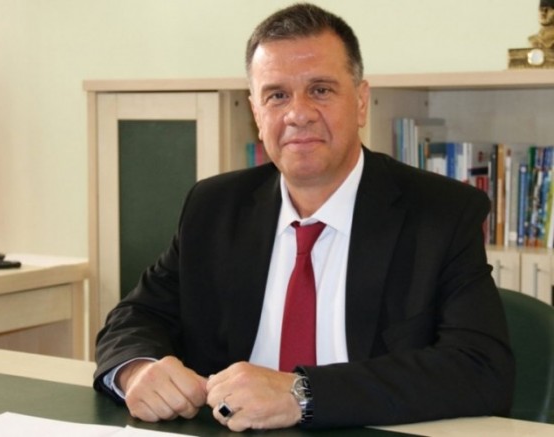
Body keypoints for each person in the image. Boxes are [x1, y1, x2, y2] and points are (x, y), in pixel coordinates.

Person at [94, 3, 515, 432]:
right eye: (277, 95)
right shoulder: (213, 207)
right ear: (256, 113)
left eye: (320, 90)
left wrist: (302, 394)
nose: (298, 114)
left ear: (361, 102)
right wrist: (136, 370)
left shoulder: (441, 213)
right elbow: (135, 317)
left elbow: (480, 368)